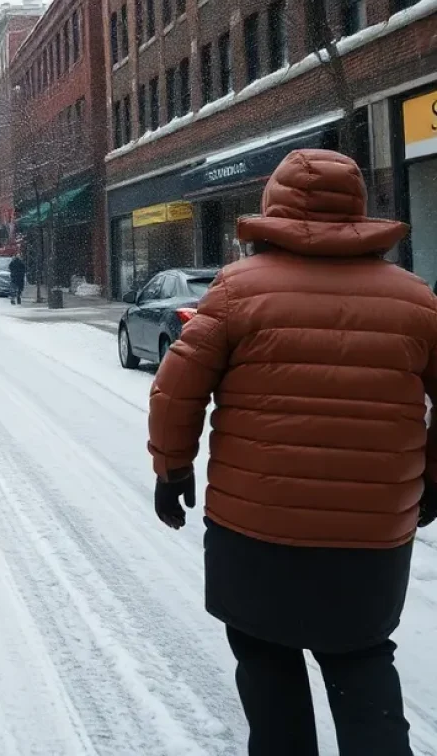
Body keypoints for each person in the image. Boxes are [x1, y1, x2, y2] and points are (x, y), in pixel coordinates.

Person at [148, 149, 437, 756]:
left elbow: (177, 388)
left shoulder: (236, 291)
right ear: (356, 208)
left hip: (256, 531)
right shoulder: (415, 300)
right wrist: (432, 478)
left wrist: (172, 468)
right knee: (362, 668)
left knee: (269, 669)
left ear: (273, 206)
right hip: (371, 540)